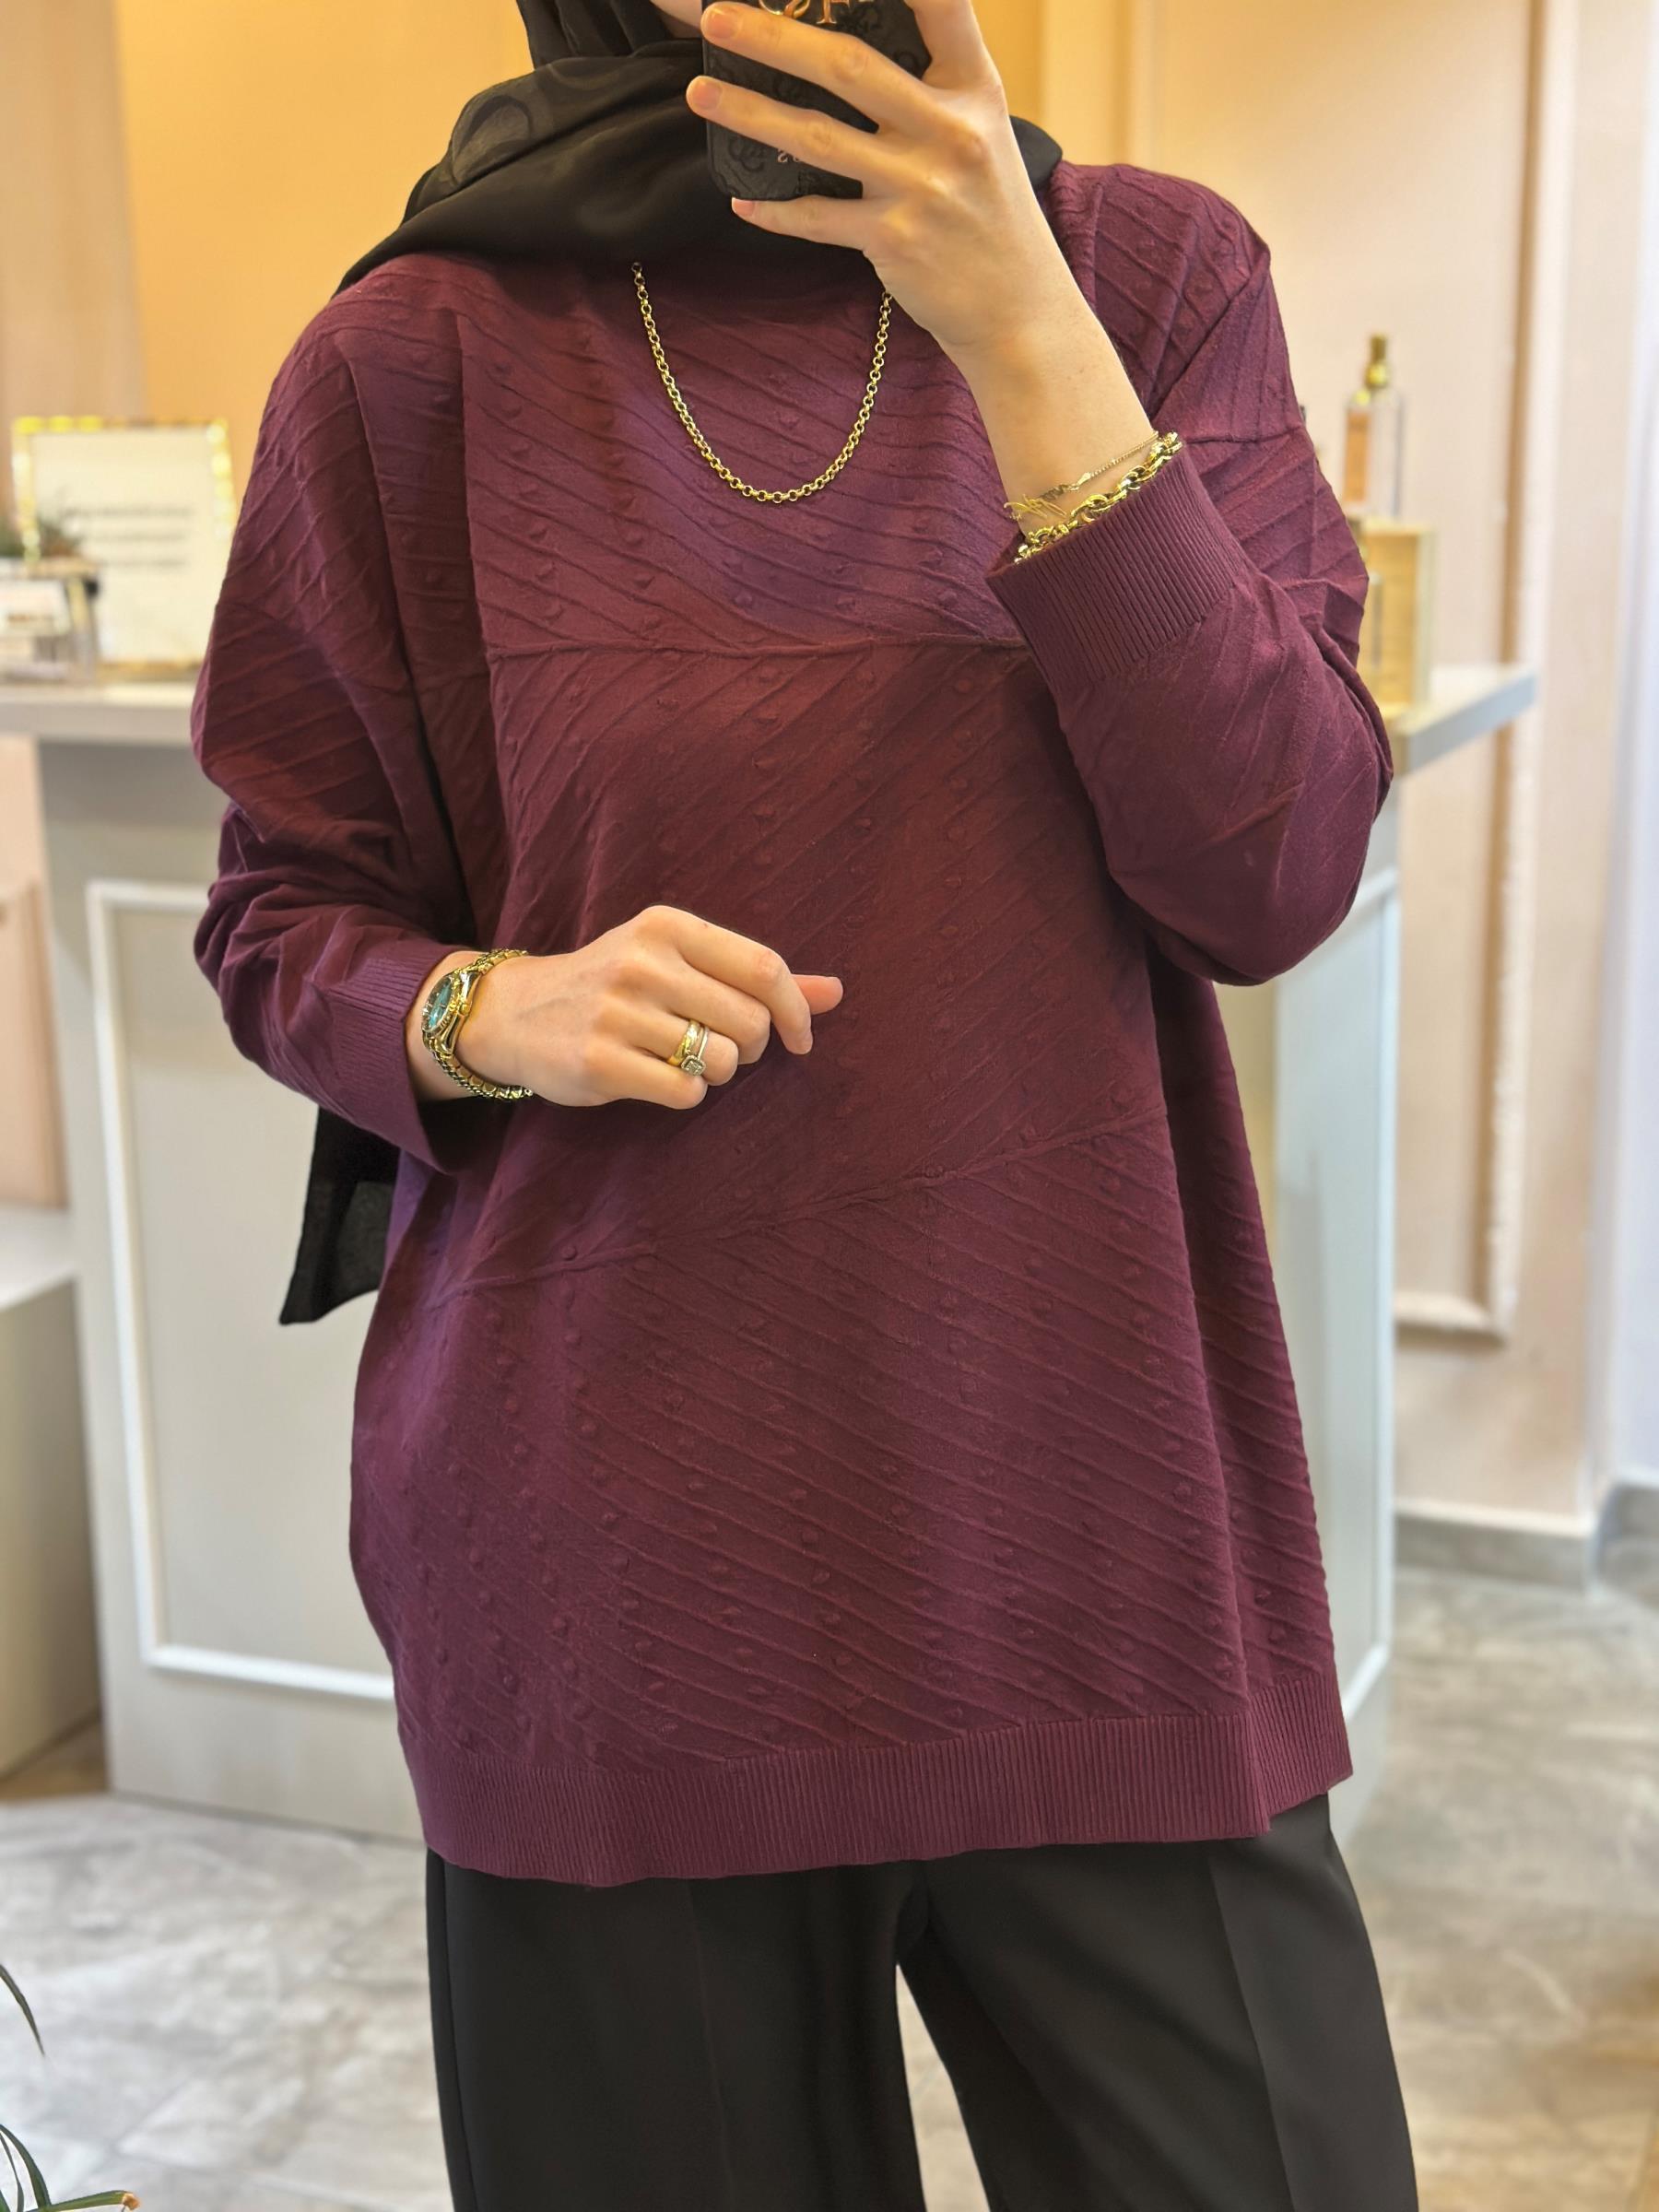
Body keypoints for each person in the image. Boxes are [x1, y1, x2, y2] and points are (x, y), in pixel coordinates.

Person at [189, 1, 1419, 2204]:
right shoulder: (411, 360)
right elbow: (282, 913)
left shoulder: (1152, 282)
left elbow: (1274, 872)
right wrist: (490, 1008)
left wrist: (1024, 327)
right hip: (618, 1575)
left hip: (1096, 1530)